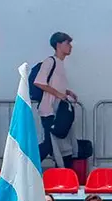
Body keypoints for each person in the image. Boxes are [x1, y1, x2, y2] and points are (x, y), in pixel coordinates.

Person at [34, 32, 78, 168]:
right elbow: (39, 82)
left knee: (56, 144)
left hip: (56, 110)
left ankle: (63, 172)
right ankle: (28, 166)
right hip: (49, 110)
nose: (70, 47)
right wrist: (58, 94)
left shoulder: (60, 64)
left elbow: (54, 85)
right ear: (58, 45)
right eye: (67, 43)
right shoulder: (50, 62)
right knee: (50, 143)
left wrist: (67, 92)